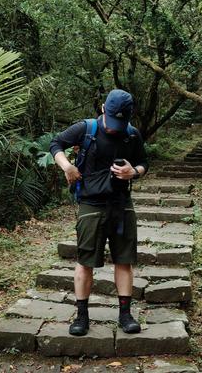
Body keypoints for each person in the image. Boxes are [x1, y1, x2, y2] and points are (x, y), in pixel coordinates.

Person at [49, 89, 149, 336]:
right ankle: (82, 316)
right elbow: (56, 143)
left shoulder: (132, 134)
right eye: (114, 123)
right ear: (103, 108)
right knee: (86, 262)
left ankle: (125, 315)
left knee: (124, 260)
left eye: (121, 123)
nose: (116, 128)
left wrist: (133, 172)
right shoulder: (86, 129)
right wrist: (67, 166)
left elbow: (144, 162)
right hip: (90, 204)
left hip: (121, 203)